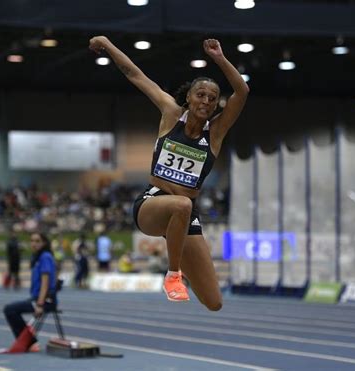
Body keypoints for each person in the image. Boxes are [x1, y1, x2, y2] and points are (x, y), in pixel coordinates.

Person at [89, 36, 249, 309]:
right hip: (152, 204)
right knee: (182, 204)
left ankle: (179, 264)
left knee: (214, 302)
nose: (206, 101)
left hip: (185, 215)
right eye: (201, 95)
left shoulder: (216, 133)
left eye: (212, 99)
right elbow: (134, 74)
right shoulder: (171, 114)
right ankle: (173, 274)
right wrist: (106, 43)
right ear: (188, 97)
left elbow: (242, 92)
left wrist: (220, 58)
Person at [3, 232, 57, 352]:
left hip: (45, 300)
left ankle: (30, 343)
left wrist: (40, 304)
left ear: (44, 243)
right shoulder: (37, 257)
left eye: (37, 241)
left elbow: (45, 283)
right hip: (37, 298)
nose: (34, 243)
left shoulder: (45, 257)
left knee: (10, 309)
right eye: (32, 241)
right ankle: (30, 342)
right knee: (11, 309)